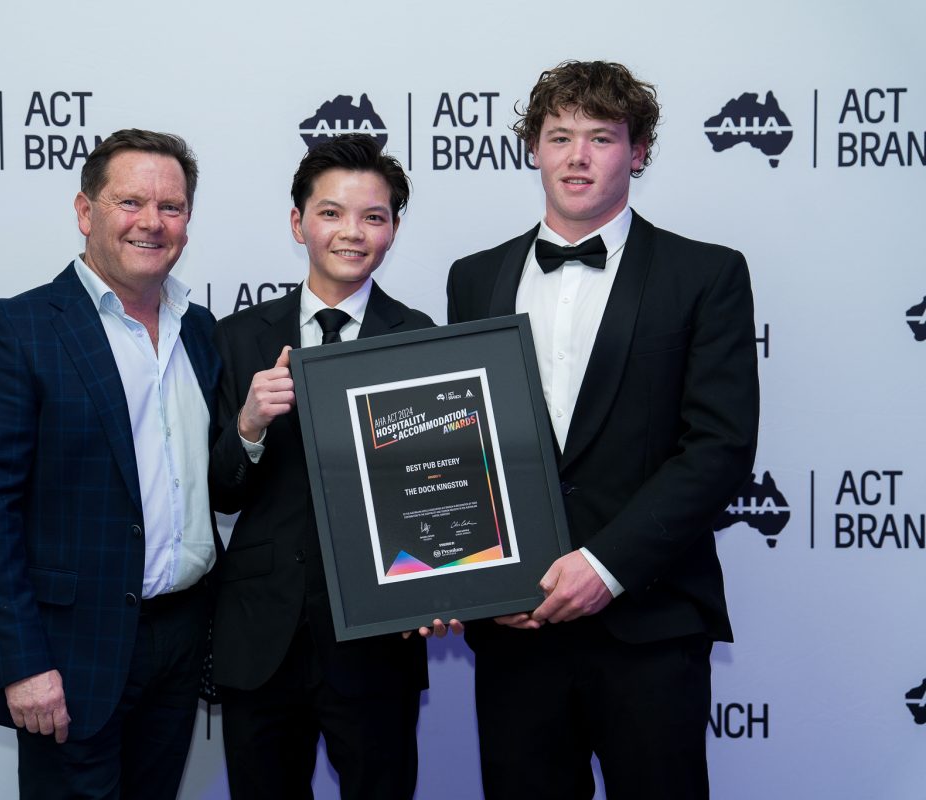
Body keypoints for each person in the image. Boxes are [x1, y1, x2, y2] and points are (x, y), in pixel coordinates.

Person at [447, 61, 760, 799]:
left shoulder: (705, 274)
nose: (577, 156)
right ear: (533, 150)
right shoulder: (474, 277)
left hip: (648, 620)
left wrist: (606, 565)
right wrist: (472, 577)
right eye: (559, 136)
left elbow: (718, 449)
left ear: (639, 151)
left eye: (601, 137)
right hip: (515, 629)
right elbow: (464, 448)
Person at [0, 129, 220, 800]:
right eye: (130, 201)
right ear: (84, 211)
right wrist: (21, 664)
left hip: (181, 644)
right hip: (70, 658)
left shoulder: (202, 330)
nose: (152, 222)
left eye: (172, 206)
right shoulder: (17, 329)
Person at [209, 134, 436, 800]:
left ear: (393, 229)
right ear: (298, 223)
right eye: (332, 213)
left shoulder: (419, 337)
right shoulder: (238, 336)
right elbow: (221, 492)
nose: (353, 232)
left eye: (374, 216)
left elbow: (436, 487)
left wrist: (442, 581)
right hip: (261, 636)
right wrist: (249, 422)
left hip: (376, 639)